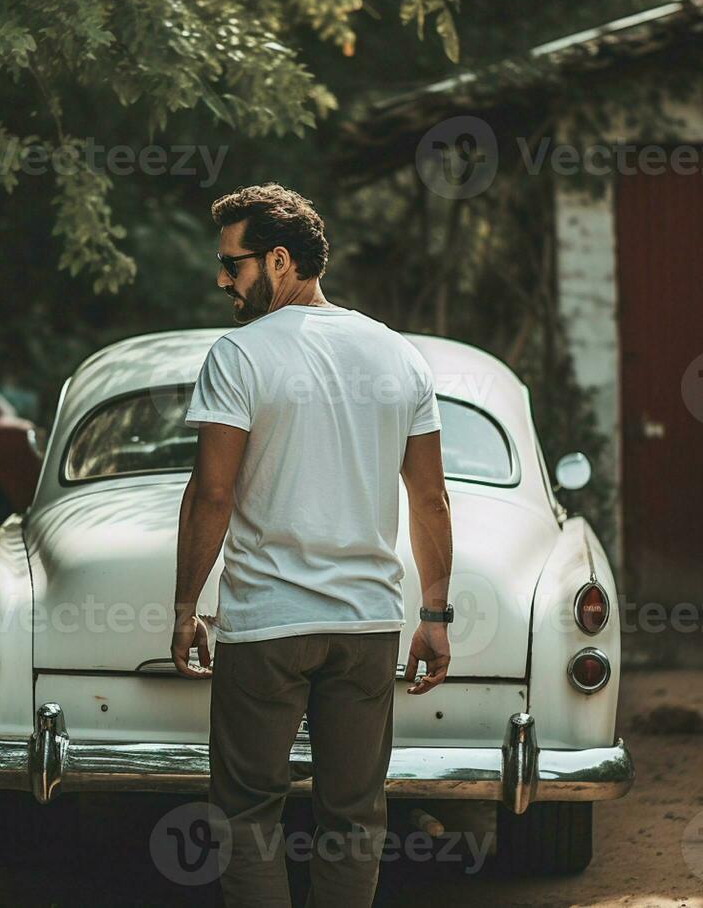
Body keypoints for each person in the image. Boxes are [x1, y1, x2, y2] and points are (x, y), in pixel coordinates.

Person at [172, 183, 453, 907]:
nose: (222, 279)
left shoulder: (238, 356)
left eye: (231, 264)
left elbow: (212, 493)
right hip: (365, 626)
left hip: (268, 627)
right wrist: (435, 615)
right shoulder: (398, 355)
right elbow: (430, 498)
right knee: (355, 817)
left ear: (278, 259)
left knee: (246, 817)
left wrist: (184, 607)